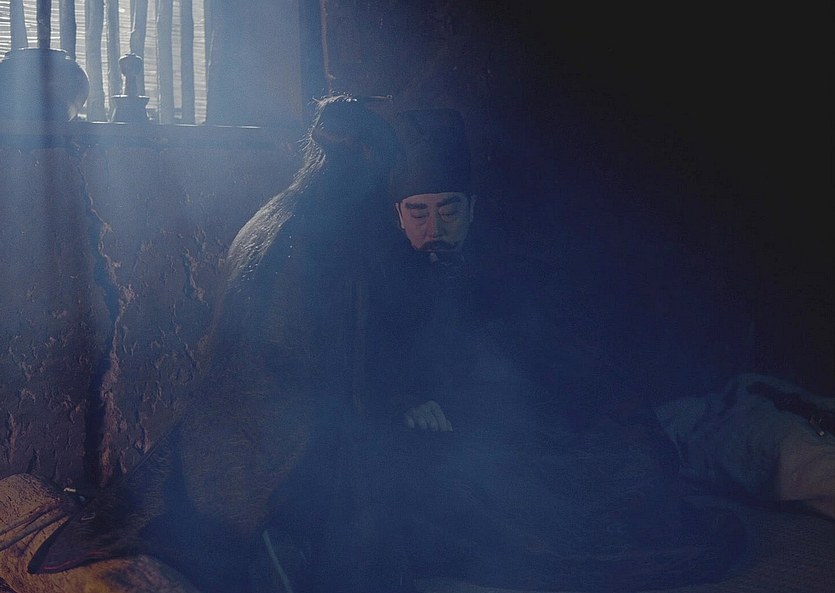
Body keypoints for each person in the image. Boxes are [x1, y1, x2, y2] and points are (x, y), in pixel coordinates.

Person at [331, 107, 750, 593]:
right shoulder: (376, 283)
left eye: (448, 210)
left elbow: (564, 359)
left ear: (472, 209)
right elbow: (363, 372)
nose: (434, 229)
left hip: (533, 424)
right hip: (456, 442)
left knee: (644, 463)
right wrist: (406, 400)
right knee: (484, 495)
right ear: (398, 216)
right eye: (418, 213)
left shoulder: (510, 266)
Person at [26, 93, 401, 593]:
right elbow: (319, 366)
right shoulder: (326, 235)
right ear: (367, 161)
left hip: (221, 434)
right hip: (274, 443)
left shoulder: (276, 214)